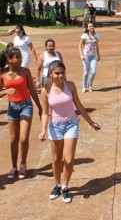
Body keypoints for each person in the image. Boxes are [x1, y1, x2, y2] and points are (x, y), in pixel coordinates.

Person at [39, 60, 101, 203]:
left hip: (71, 125)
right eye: (57, 73)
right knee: (56, 160)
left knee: (68, 160)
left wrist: (91, 122)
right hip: (54, 126)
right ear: (50, 74)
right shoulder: (45, 90)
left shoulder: (70, 85)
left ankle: (65, 186)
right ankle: (57, 184)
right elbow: (44, 113)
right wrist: (43, 130)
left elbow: (78, 105)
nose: (61, 76)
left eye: (62, 73)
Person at [0, 47, 42, 179]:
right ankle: (14, 166)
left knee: (23, 139)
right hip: (12, 107)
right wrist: (6, 92)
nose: (20, 59)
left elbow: (33, 90)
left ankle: (23, 164)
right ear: (9, 60)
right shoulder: (3, 74)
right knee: (13, 139)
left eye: (20, 56)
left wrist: (40, 107)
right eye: (17, 57)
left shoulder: (26, 71)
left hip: (26, 106)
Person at [79, 22, 100, 93]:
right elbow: (79, 45)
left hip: (94, 55)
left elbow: (97, 46)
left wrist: (98, 55)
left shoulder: (96, 35)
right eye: (90, 26)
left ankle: (90, 85)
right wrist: (81, 55)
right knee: (86, 72)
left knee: (93, 72)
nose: (91, 27)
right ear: (87, 28)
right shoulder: (84, 36)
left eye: (92, 26)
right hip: (86, 56)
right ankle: (84, 87)